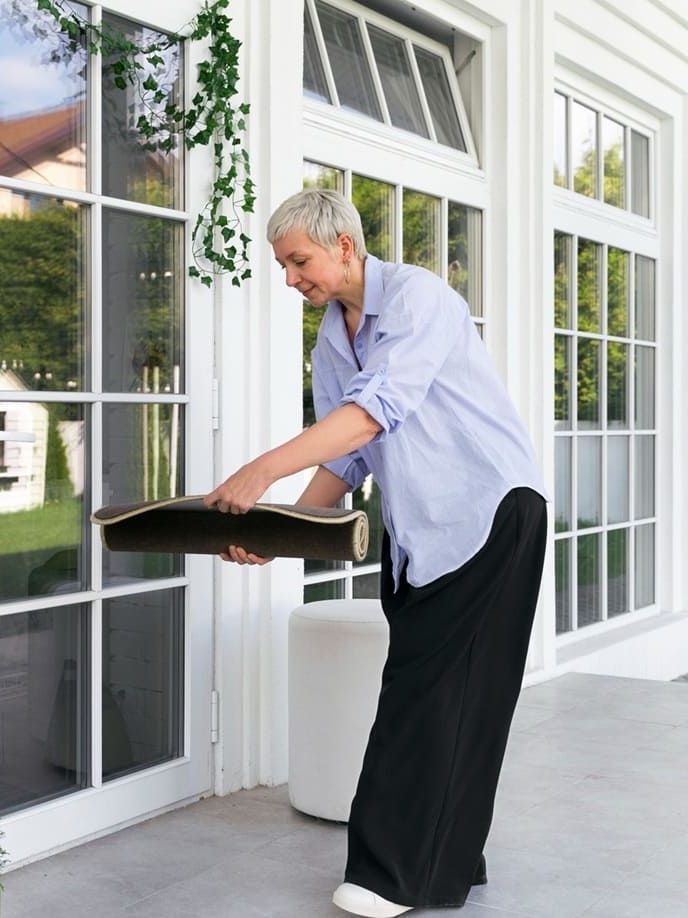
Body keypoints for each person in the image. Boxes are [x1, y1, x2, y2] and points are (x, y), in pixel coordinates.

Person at [205, 188, 549, 916]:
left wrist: (263, 470)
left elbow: (369, 417)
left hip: (490, 512)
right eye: (282, 265)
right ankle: (451, 857)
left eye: (298, 261)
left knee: (432, 697)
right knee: (444, 695)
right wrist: (285, 532)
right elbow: (348, 459)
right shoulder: (332, 339)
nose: (289, 277)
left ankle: (389, 876)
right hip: (425, 530)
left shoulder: (421, 300)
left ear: (344, 246)